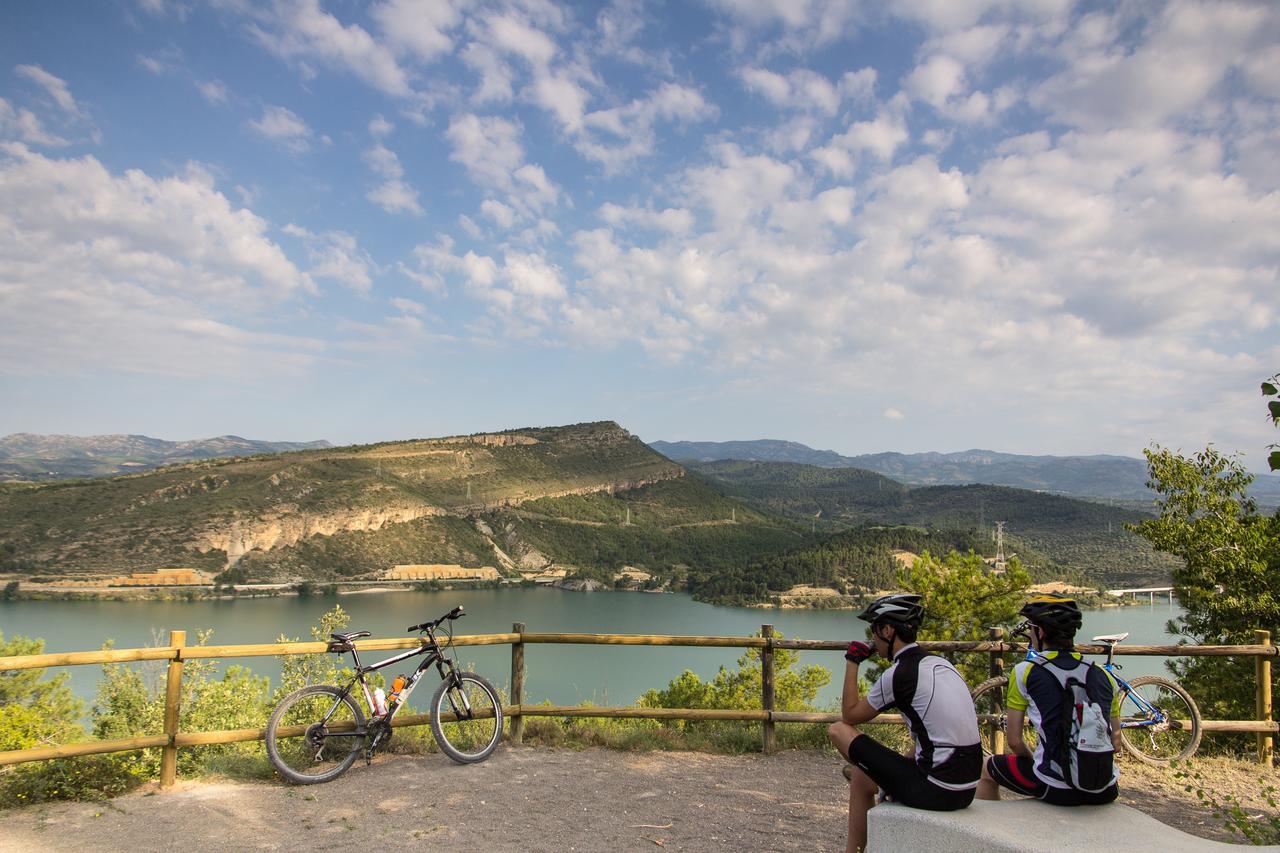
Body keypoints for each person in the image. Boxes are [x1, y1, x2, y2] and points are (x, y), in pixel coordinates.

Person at [827, 593, 982, 853]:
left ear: (888, 631)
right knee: (862, 777)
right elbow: (930, 737)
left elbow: (850, 716)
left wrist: (853, 660)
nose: (873, 640)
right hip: (967, 787)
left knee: (837, 730)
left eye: (874, 631)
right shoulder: (941, 664)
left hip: (938, 789)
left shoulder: (899, 674)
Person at [977, 593, 1121, 805]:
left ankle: (993, 832)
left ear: (1040, 632)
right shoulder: (1103, 674)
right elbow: (1116, 744)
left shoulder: (1025, 671)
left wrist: (1036, 760)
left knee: (985, 768)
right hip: (1105, 787)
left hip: (1056, 787)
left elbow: (1015, 741)